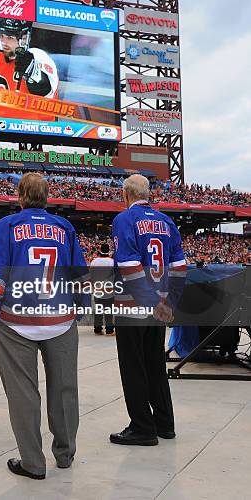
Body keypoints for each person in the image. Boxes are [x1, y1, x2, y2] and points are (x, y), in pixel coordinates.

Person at [0, 173, 88, 480]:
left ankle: (33, 463)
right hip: (60, 319)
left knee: (23, 394)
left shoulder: (7, 226)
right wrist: (79, 309)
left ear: (20, 196)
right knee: (65, 390)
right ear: (47, 196)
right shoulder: (64, 227)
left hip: (17, 322)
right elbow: (80, 276)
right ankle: (65, 455)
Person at [110, 174, 187, 446]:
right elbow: (180, 268)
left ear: (125, 195)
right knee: (155, 364)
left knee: (133, 367)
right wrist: (168, 304)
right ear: (148, 195)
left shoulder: (124, 220)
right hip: (160, 306)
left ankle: (142, 426)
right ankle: (165, 423)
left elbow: (130, 268)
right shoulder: (167, 222)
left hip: (134, 305)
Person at [0, 18, 59, 120]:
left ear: (24, 38)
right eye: (1, 36)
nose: (4, 42)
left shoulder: (41, 58)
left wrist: (32, 72)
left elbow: (45, 94)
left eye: (10, 37)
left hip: (30, 128)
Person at [91, 242, 115, 336]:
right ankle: (109, 330)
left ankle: (97, 329)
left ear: (100, 250)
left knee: (98, 310)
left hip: (97, 289)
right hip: (109, 289)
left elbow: (91, 276)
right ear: (109, 251)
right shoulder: (112, 262)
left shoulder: (94, 262)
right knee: (109, 310)